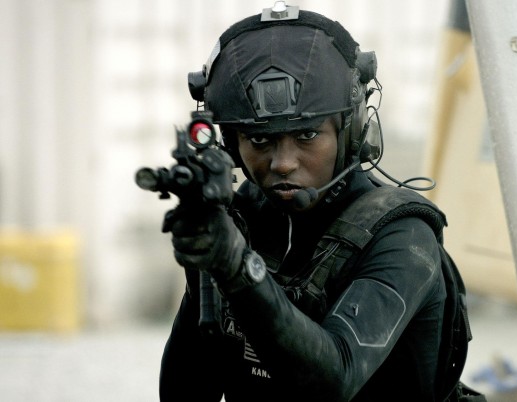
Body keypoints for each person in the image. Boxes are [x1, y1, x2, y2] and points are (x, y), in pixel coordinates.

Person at [159, 3, 478, 401]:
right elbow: (184, 392)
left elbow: (333, 382)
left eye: (307, 135)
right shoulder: (243, 218)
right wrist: (202, 274)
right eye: (259, 139)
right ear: (231, 144)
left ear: (351, 129)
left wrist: (236, 268)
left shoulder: (403, 236)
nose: (283, 163)